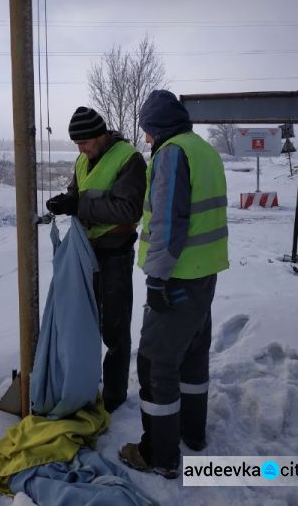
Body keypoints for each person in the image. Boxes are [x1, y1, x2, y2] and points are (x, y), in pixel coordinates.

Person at [119, 90, 229, 479]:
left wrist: (156, 280)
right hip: (204, 275)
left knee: (156, 364)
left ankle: (159, 455)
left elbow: (168, 221)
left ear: (158, 126)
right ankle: (192, 435)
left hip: (177, 279)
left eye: (148, 131)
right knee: (193, 356)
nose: (147, 139)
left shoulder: (171, 154)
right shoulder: (205, 151)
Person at [46, 106, 146, 413]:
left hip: (115, 253)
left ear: (102, 135)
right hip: (85, 253)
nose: (81, 148)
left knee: (114, 328)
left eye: (85, 142)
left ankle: (114, 394)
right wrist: (67, 201)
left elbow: (128, 210)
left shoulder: (129, 158)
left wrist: (79, 204)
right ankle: (86, 384)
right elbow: (79, 193)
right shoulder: (82, 160)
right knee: (83, 323)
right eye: (77, 143)